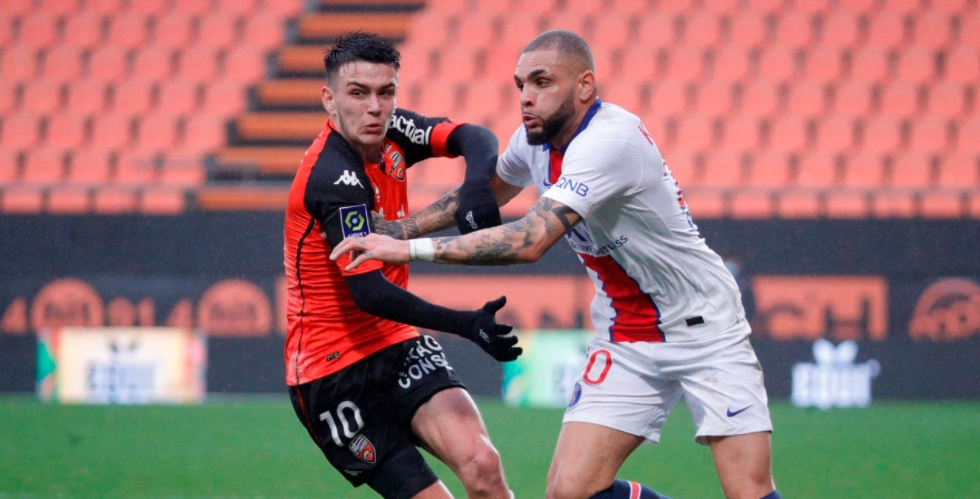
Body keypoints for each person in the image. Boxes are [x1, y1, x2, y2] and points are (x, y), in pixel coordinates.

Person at [331, 30, 783, 499]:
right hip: (627, 334)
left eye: (542, 82)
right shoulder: (535, 140)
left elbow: (529, 240)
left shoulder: (611, 141)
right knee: (571, 493)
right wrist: (399, 230)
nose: (526, 97)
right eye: (521, 84)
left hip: (705, 327)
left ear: (584, 85)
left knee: (748, 490)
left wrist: (408, 250)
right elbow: (490, 190)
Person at [284, 31, 521, 499]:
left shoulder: (391, 131)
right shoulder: (332, 176)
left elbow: (474, 136)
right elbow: (369, 292)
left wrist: (476, 185)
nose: (375, 107)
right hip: (331, 371)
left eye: (386, 92)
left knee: (483, 464)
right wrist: (465, 324)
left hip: (396, 342)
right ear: (329, 100)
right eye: (358, 93)